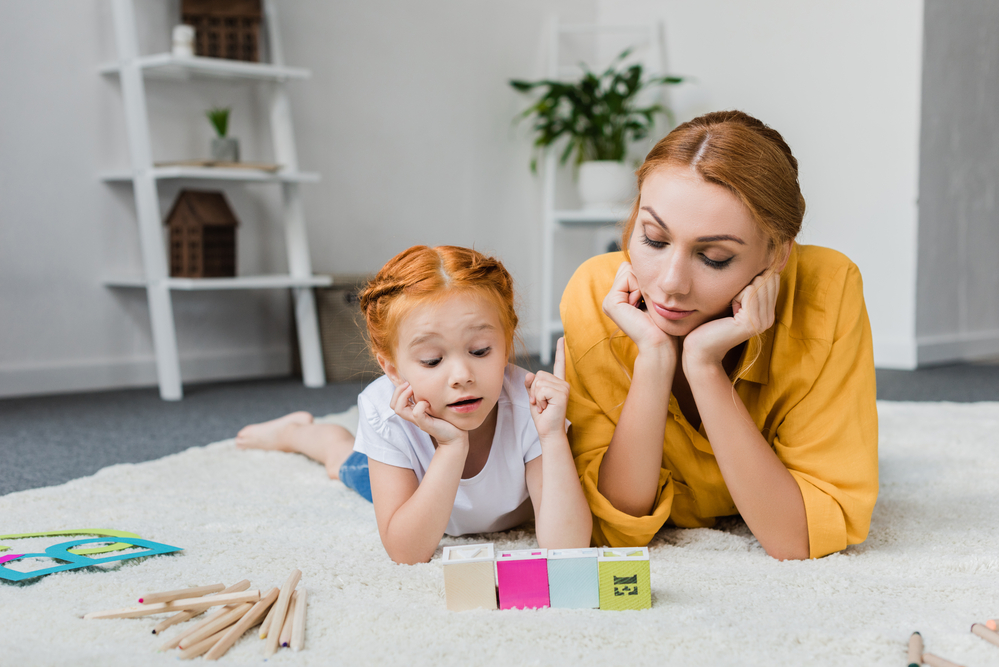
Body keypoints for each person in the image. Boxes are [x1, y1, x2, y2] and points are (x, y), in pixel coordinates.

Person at [561, 110, 878, 560]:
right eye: (652, 239)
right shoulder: (596, 294)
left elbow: (799, 538)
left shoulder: (827, 290)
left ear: (776, 255)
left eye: (713, 257)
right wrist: (654, 358)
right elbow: (614, 529)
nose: (671, 283)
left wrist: (704, 366)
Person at [237, 245, 592, 564]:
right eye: (432, 360)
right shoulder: (384, 411)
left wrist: (553, 438)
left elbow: (570, 549)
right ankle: (298, 432)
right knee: (344, 461)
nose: (461, 375)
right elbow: (406, 552)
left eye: (481, 351)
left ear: (506, 342)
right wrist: (452, 447)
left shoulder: (531, 407)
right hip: (415, 497)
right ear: (392, 369)